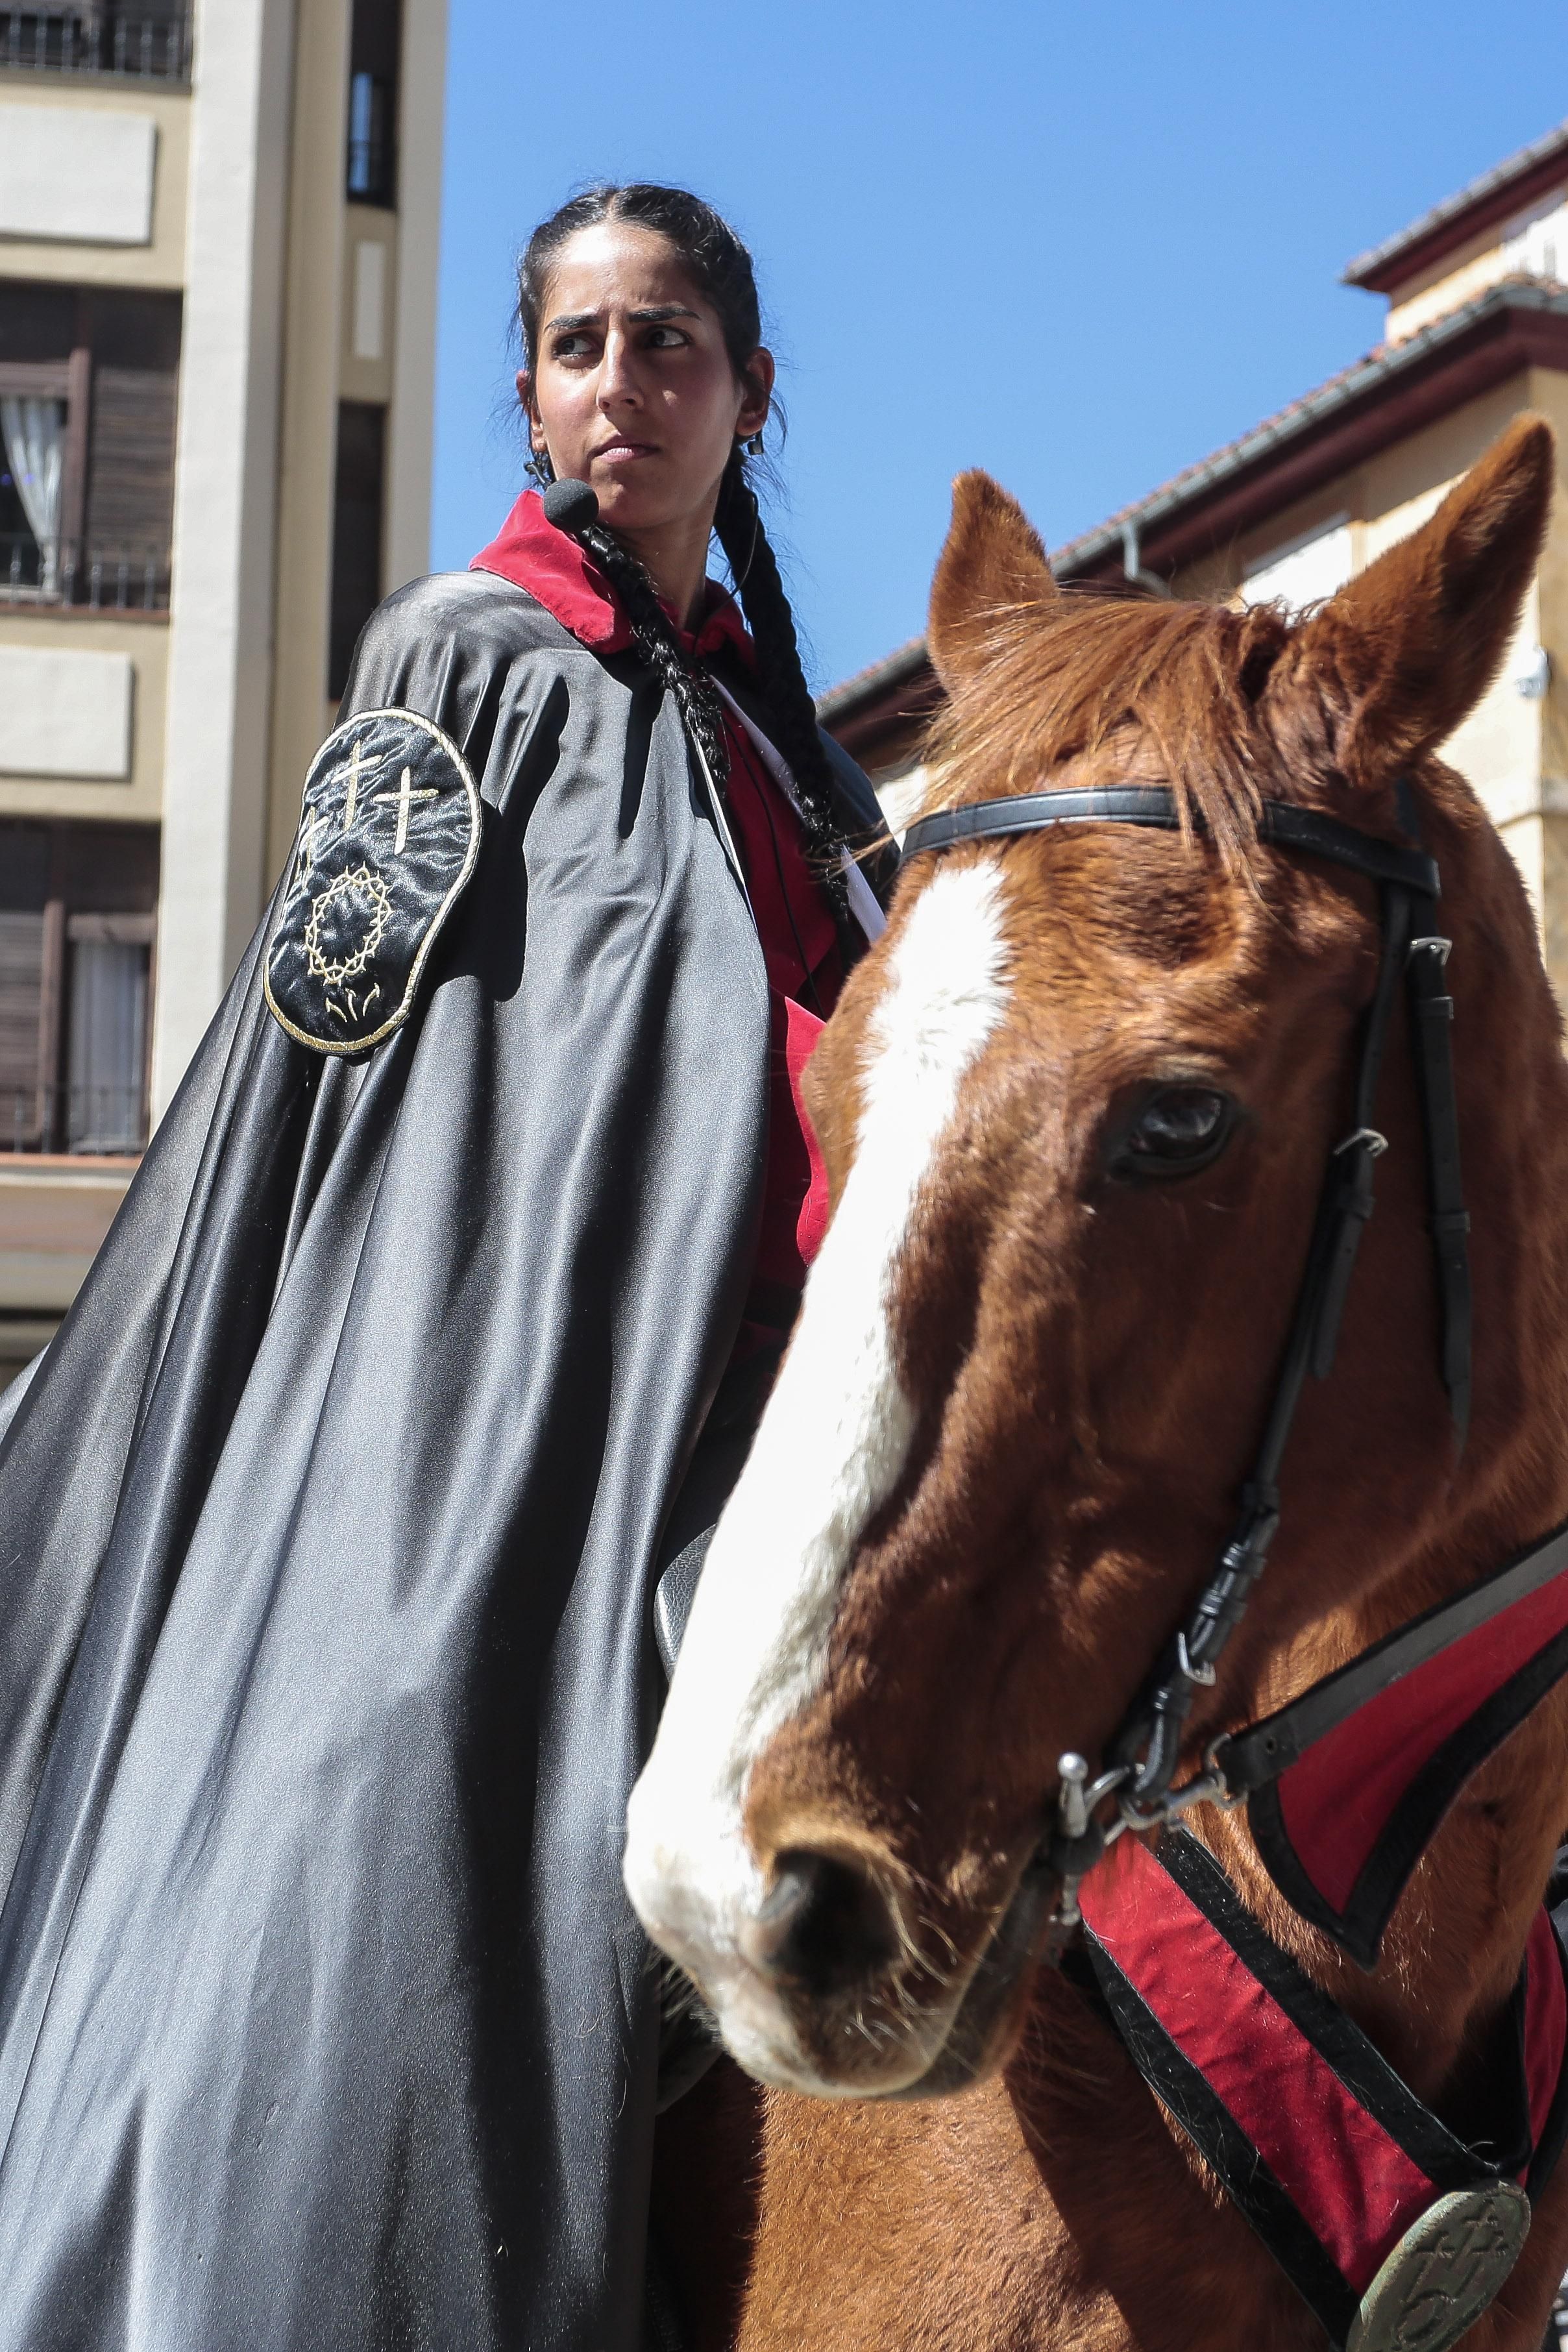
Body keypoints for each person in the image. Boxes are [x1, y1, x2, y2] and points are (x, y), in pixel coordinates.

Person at [0, 183, 894, 2351]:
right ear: (526, 388)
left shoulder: (792, 741)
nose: (623, 385)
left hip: (778, 1347)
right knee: (438, 1738)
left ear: (750, 396)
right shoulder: (466, 665)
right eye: (580, 347)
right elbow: (485, 1058)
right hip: (504, 1359)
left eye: (667, 343)